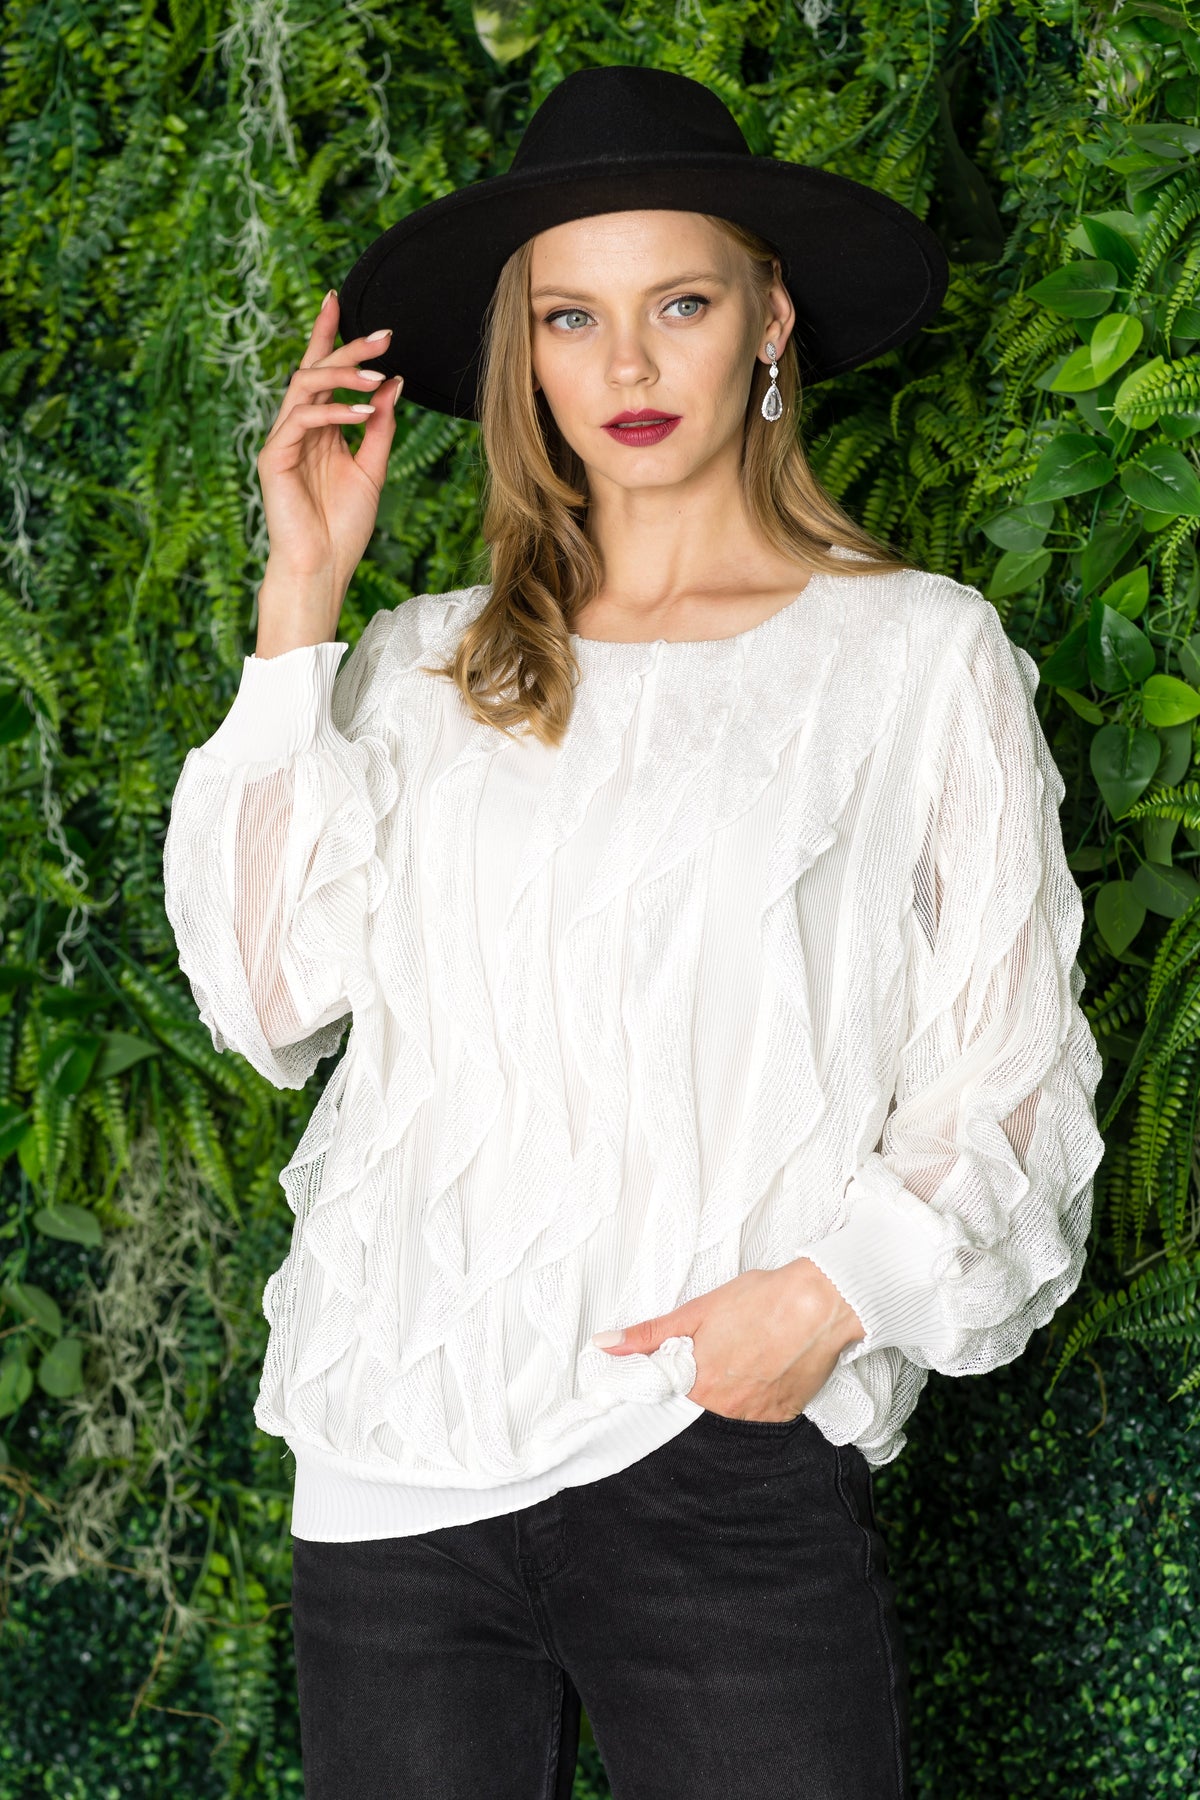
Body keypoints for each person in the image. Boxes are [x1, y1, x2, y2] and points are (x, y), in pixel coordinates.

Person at [162, 64, 1106, 1800]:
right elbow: (268, 993)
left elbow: (1012, 1066)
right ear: (523, 355)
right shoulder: (426, 660)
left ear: (770, 319)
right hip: (396, 1470)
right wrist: (302, 598)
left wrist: (825, 1301)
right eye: (571, 318)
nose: (628, 368)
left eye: (680, 304)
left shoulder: (911, 655)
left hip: (715, 1452)